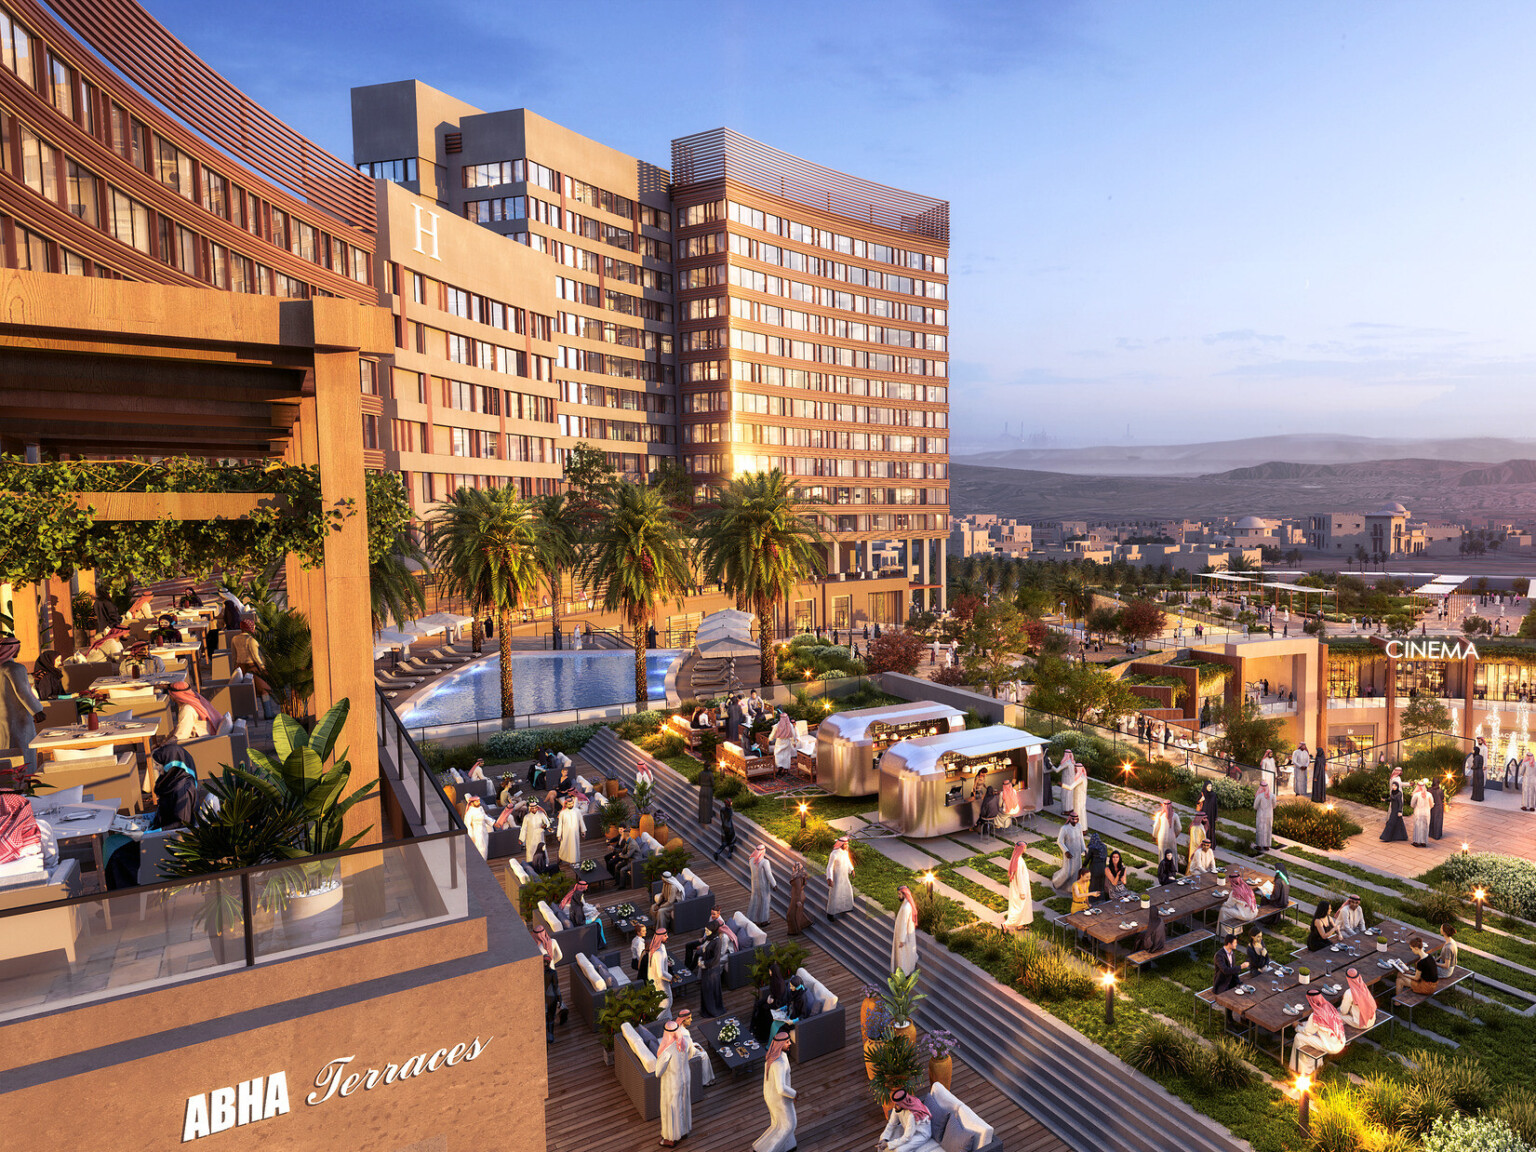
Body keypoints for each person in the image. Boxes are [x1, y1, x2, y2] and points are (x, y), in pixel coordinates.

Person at [752, 1022, 797, 1152]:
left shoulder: (771, 1058)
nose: (790, 1044)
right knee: (788, 1126)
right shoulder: (780, 1063)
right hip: (781, 1099)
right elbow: (781, 1088)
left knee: (777, 1125)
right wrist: (794, 1094)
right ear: (780, 1044)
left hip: (770, 1096)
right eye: (787, 1042)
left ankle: (786, 1146)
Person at [1290, 988, 1348, 1073]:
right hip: (1340, 1041)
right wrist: (1305, 1024)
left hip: (1332, 1046)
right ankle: (1316, 1064)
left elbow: (1307, 1032)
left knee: (1298, 1037)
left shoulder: (1315, 1015)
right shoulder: (1329, 1006)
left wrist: (1297, 1026)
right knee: (1311, 1030)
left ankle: (1301, 1068)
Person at [655, 1021, 692, 1148]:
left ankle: (671, 1138)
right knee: (683, 1104)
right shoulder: (684, 1043)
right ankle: (684, 1131)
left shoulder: (667, 1051)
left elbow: (658, 1073)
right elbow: (690, 1054)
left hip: (671, 1084)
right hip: (685, 1079)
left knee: (671, 1111)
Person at [672, 1008, 715, 1087]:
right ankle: (706, 1081)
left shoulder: (677, 1027)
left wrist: (693, 1046)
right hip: (684, 1058)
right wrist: (697, 1049)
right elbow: (689, 1052)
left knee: (698, 1045)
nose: (691, 1020)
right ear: (683, 1020)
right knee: (704, 1055)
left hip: (678, 1052)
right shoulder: (684, 1033)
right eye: (688, 1018)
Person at [698, 923, 729, 1018]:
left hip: (711, 972)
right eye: (706, 930)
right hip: (706, 970)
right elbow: (705, 949)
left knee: (710, 990)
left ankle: (712, 1010)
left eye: (708, 930)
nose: (706, 932)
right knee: (705, 989)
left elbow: (715, 959)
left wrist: (703, 963)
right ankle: (706, 1009)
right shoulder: (709, 938)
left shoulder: (717, 942)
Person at [1052, 811, 1085, 895]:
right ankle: (1057, 882)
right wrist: (1066, 851)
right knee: (1068, 871)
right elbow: (1059, 841)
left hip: (1077, 852)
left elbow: (1081, 839)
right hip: (1069, 853)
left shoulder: (1079, 827)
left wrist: (1084, 849)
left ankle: (1072, 888)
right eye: (1073, 819)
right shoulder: (1064, 828)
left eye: (1076, 819)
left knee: (1077, 870)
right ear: (1070, 819)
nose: (1075, 821)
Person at [1003, 841, 1034, 931]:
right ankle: (1006, 924)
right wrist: (1022, 892)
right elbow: (1020, 878)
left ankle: (1020, 925)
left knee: (1022, 907)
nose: (1025, 850)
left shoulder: (1015, 858)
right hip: (1020, 888)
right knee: (1019, 908)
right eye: (1024, 848)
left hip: (1019, 887)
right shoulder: (1019, 862)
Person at [825, 836, 855, 922]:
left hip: (844, 876)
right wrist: (830, 878)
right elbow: (829, 867)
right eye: (845, 844)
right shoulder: (834, 854)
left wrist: (852, 869)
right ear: (840, 844)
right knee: (835, 894)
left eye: (847, 844)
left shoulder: (845, 852)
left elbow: (848, 861)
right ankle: (830, 913)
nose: (846, 846)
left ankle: (846, 907)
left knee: (847, 891)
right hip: (837, 877)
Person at [891, 884, 919, 975]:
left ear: (904, 894)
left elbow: (903, 924)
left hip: (904, 937)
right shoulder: (905, 904)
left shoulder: (906, 907)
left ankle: (905, 973)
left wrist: (902, 940)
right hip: (904, 935)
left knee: (903, 956)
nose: (898, 896)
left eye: (899, 894)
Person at [1057, 750, 1089, 830]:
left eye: (1075, 769)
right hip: (1080, 798)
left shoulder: (1080, 779)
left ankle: (1081, 829)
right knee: (1081, 813)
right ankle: (1083, 829)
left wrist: (1062, 785)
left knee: (1078, 814)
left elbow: (1071, 787)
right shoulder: (1083, 777)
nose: (1074, 770)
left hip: (1079, 799)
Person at [648, 927, 675, 1020]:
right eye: (665, 936)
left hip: (655, 982)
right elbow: (660, 973)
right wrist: (671, 978)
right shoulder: (658, 952)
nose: (667, 937)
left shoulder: (657, 948)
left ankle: (669, 1023)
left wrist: (666, 963)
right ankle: (655, 1024)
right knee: (666, 1003)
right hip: (661, 983)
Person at [747, 844, 777, 925]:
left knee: (755, 900)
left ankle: (752, 918)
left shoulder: (751, 860)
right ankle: (763, 920)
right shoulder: (765, 862)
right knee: (765, 901)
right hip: (763, 884)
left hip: (754, 884)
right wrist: (774, 884)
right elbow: (769, 874)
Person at [1213, 933, 1242, 1000]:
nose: (1236, 944)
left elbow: (1233, 970)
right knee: (1231, 1000)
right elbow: (1225, 970)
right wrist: (1240, 967)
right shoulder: (1219, 955)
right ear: (1229, 944)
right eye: (1235, 943)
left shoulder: (1232, 953)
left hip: (1231, 982)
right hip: (1222, 985)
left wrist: (1239, 982)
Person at [555, 797, 582, 869]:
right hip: (566, 833)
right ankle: (562, 858)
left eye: (571, 804)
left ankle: (574, 861)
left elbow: (581, 821)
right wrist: (559, 835)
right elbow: (560, 824)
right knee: (564, 847)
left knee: (574, 847)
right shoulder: (562, 813)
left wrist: (583, 830)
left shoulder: (577, 811)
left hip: (575, 833)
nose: (570, 805)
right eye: (569, 804)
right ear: (566, 804)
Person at [1380, 778, 1408, 842]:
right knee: (1399, 822)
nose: (1393, 787)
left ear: (1397, 786)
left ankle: (1386, 837)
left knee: (1390, 823)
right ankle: (1402, 836)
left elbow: (1400, 803)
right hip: (1393, 809)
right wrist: (1385, 800)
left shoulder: (1399, 794)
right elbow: (1392, 800)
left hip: (1396, 811)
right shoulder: (1393, 792)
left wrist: (1400, 811)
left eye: (1395, 786)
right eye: (1393, 786)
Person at [786, 861, 809, 935]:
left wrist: (798, 901)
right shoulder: (800, 875)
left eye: (794, 866)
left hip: (797, 898)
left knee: (791, 914)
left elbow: (798, 889)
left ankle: (794, 931)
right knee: (797, 913)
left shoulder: (797, 877)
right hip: (797, 896)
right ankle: (803, 924)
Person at [1253, 778, 1275, 853]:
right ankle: (1267, 845)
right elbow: (1274, 805)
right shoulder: (1272, 795)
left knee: (1260, 829)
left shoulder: (1259, 796)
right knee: (1268, 829)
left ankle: (1259, 845)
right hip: (1269, 815)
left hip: (1261, 815)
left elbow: (1255, 806)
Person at [772, 709, 797, 774]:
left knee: (777, 754)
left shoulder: (777, 725)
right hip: (787, 742)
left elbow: (773, 734)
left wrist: (770, 739)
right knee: (786, 755)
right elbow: (793, 734)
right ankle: (786, 768)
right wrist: (794, 742)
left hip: (779, 742)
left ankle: (780, 766)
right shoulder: (790, 725)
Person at [1410, 781, 1433, 847]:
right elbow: (1431, 804)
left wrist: (1415, 807)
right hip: (1426, 813)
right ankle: (1424, 842)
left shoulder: (1416, 795)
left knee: (1417, 826)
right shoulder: (1429, 794)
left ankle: (1416, 841)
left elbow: (1412, 804)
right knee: (1425, 827)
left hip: (1418, 812)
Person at [714, 798, 738, 862]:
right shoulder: (730, 811)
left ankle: (717, 852)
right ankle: (729, 854)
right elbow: (729, 819)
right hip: (729, 828)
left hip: (723, 827)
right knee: (732, 841)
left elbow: (722, 818)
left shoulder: (722, 809)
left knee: (724, 843)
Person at [1467, 738, 1487, 802]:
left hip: (1477, 773)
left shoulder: (1476, 757)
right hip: (1481, 772)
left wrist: (1471, 767)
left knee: (1476, 785)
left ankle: (1476, 797)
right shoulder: (1480, 757)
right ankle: (1480, 797)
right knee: (1480, 785)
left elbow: (1475, 766)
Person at [696, 761, 714, 826]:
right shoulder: (710, 774)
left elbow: (699, 782)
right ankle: (707, 819)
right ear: (709, 767)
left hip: (702, 789)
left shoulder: (701, 773)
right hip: (708, 789)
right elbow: (713, 783)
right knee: (708, 804)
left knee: (702, 804)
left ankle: (701, 819)